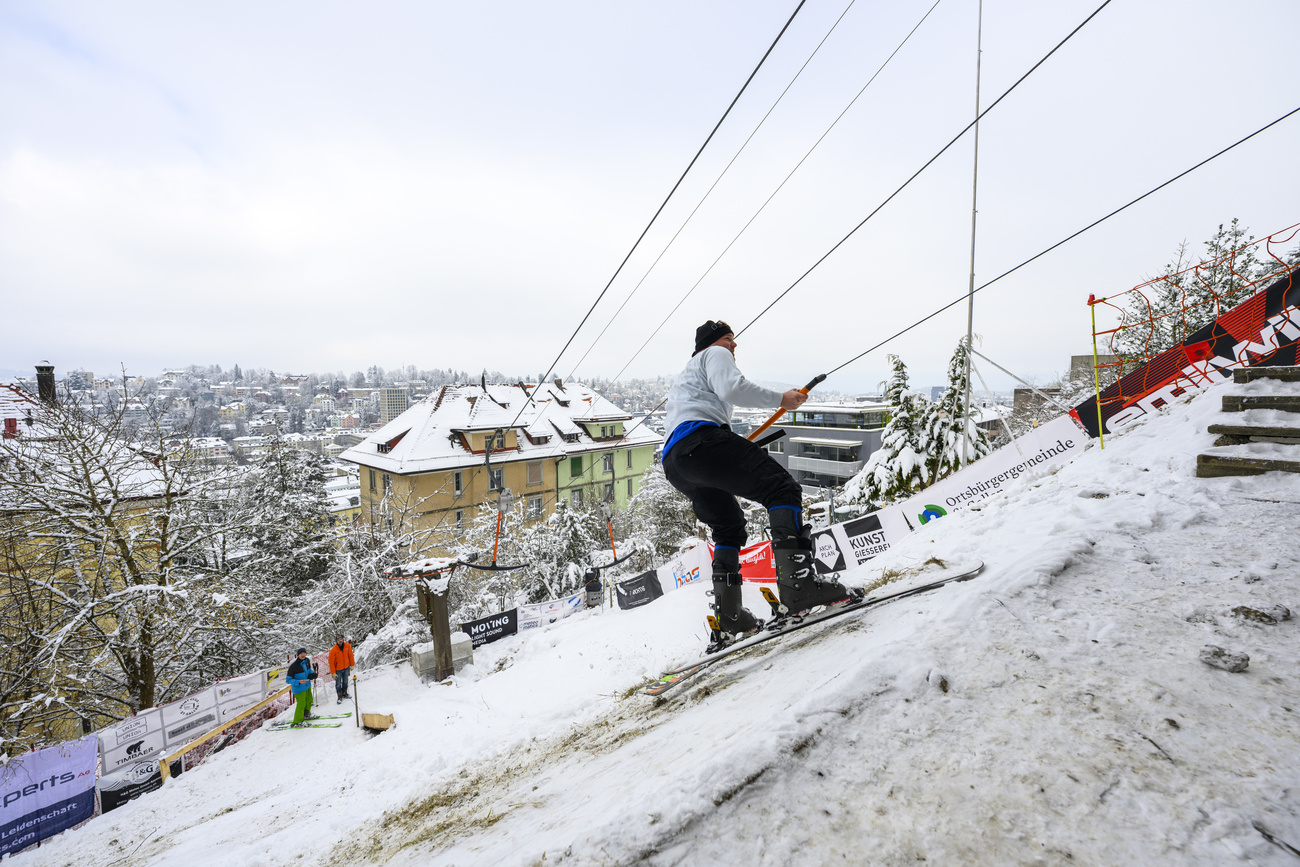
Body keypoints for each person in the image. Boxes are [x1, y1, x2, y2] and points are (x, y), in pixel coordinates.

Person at [662, 320, 859, 645]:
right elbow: (732, 389)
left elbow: (706, 409)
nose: (734, 346)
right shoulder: (714, 354)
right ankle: (800, 589)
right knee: (781, 489)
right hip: (700, 441)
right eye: (729, 339)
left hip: (677, 461)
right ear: (713, 342)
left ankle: (730, 617)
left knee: (728, 526)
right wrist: (783, 398)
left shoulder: (688, 376)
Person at [286, 648, 319, 726]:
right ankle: (297, 721)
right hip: (299, 688)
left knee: (309, 700)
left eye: (304, 653)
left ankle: (306, 715)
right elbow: (288, 680)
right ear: (298, 655)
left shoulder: (307, 661)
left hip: (307, 686)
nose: (303, 655)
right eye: (301, 653)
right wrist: (298, 682)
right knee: (301, 703)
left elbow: (308, 670)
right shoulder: (293, 666)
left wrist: (313, 673)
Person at [328, 634, 355, 704]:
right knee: (338, 684)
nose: (340, 641)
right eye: (338, 640)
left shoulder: (347, 646)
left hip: (346, 668)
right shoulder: (333, 650)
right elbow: (331, 662)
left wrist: (352, 664)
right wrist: (333, 672)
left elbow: (350, 656)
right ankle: (339, 696)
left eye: (341, 639)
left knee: (345, 681)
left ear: (342, 639)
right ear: (336, 641)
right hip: (338, 670)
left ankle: (345, 693)